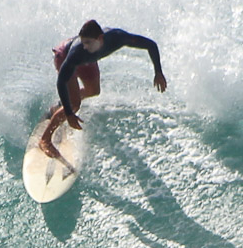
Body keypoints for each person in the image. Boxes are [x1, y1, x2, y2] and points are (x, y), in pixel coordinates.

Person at [38, 19, 167, 164]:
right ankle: (45, 139)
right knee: (75, 105)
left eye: (88, 43)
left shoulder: (118, 37)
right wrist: (69, 113)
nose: (85, 46)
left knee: (93, 90)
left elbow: (151, 44)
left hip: (87, 60)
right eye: (83, 42)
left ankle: (59, 106)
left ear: (100, 39)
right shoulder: (78, 51)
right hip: (65, 57)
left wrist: (158, 72)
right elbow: (61, 81)